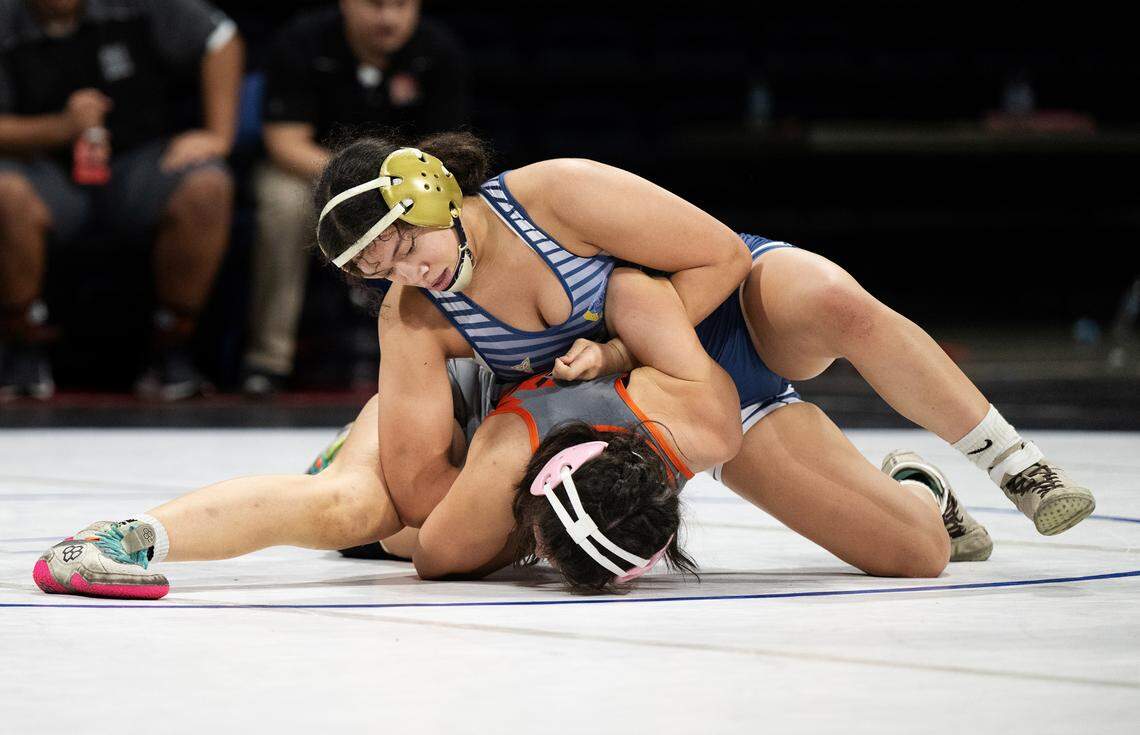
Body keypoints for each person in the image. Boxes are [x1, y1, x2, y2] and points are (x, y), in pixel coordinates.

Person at [312, 131, 1095, 580]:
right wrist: (519, 521)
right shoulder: (414, 310)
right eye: (381, 270)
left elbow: (719, 256)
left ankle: (1014, 460)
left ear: (435, 193)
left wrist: (622, 347)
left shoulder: (556, 194)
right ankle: (924, 494)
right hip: (682, 410)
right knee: (918, 556)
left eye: (408, 247)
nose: (412, 273)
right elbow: (422, 495)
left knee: (835, 300)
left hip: (724, 323)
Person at [33, 268, 759, 595]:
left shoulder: (702, 418)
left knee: (392, 519)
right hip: (444, 401)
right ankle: (111, 540)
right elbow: (430, 551)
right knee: (357, 508)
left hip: (503, 421)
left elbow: (645, 295)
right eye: (542, 546)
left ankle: (350, 449)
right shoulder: (507, 456)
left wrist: (613, 351)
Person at [0, 0, 243, 401]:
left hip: (139, 162)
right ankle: (20, 343)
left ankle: (172, 346)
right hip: (40, 169)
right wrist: (61, 127)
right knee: (5, 193)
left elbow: (221, 37)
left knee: (207, 186)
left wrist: (219, 134)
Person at [242, 0, 468, 395]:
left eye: (400, 5)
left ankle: (452, 358)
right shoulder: (301, 42)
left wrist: (387, 189)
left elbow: (444, 151)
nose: (388, 18)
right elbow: (284, 143)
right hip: (312, 177)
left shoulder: (439, 50)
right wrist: (358, 188)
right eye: (375, 5)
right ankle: (268, 359)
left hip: (405, 184)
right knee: (281, 204)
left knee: (457, 206)